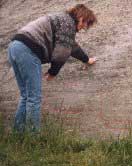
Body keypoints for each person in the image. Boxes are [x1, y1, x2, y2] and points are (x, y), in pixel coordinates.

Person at [7, 4, 97, 133]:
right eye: (86, 23)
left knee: (26, 95)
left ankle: (18, 133)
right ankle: (33, 137)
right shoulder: (68, 23)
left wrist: (86, 59)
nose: (84, 27)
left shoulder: (62, 20)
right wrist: (53, 72)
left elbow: (72, 46)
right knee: (34, 97)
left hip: (15, 47)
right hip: (28, 50)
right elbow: (62, 53)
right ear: (81, 17)